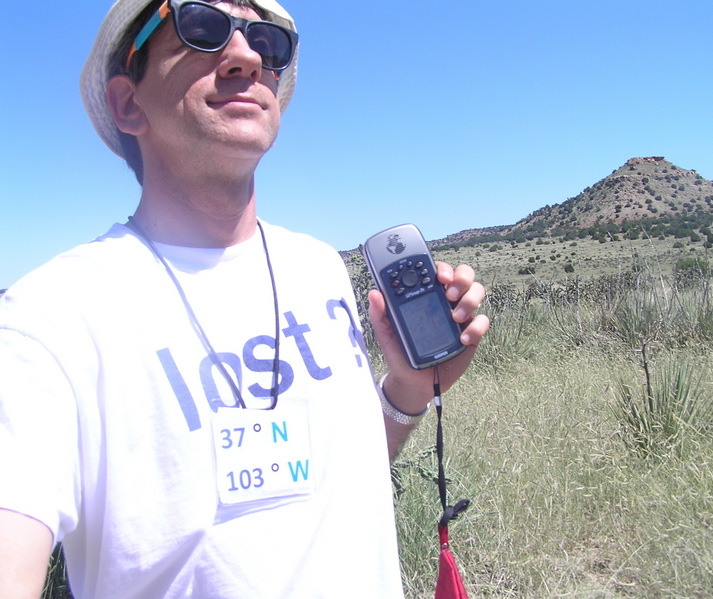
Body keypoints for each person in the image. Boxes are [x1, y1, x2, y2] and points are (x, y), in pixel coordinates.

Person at [0, 0, 489, 597]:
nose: (246, 56)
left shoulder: (317, 269)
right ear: (129, 102)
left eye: (269, 41)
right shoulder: (49, 321)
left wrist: (409, 389)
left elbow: (330, 482)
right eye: (200, 27)